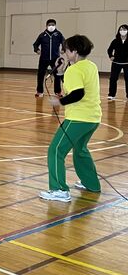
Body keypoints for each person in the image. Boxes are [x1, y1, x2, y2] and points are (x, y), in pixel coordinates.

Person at [40, 34, 101, 202]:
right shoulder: (90, 66)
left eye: (66, 50)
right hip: (93, 118)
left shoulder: (74, 70)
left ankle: (59, 189)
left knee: (56, 150)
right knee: (80, 150)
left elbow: (78, 93)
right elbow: (77, 85)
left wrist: (59, 101)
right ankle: (91, 183)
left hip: (78, 119)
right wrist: (60, 72)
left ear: (74, 51)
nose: (65, 53)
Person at [33, 19, 64, 98]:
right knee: (40, 75)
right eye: (49, 25)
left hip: (55, 59)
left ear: (55, 26)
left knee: (57, 76)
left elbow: (64, 42)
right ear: (46, 26)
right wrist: (37, 50)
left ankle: (58, 92)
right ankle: (39, 91)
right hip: (44, 58)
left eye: (53, 25)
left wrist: (63, 49)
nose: (51, 26)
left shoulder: (58, 34)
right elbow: (35, 44)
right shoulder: (42, 35)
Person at [106, 24, 128, 101]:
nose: (122, 31)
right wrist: (111, 56)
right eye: (121, 29)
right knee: (113, 79)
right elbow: (109, 50)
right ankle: (111, 94)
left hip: (127, 64)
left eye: (124, 29)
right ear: (119, 31)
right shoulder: (115, 41)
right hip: (116, 63)